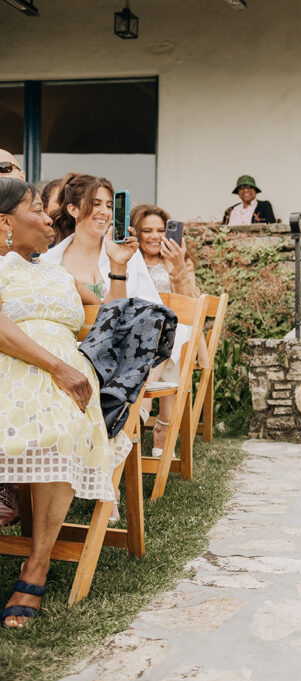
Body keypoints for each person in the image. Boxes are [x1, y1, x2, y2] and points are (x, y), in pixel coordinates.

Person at [0, 178, 132, 627]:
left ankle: (36, 565)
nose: (47, 218)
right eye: (36, 210)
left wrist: (116, 268)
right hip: (15, 369)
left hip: (67, 383)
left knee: (57, 429)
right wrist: (56, 366)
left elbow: (113, 325)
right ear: (5, 223)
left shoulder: (59, 275)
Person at [132, 203, 207, 454]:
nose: (155, 236)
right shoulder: (130, 262)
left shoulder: (180, 262)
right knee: (163, 340)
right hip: (140, 333)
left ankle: (144, 407)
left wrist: (177, 267)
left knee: (173, 333)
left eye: (161, 230)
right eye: (147, 230)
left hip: (177, 330)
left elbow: (192, 305)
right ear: (136, 232)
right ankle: (160, 426)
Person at [39, 174, 161, 305]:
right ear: (73, 210)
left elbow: (151, 304)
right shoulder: (49, 261)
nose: (104, 212)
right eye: (96, 204)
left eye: (109, 206)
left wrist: (119, 265)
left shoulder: (127, 253)